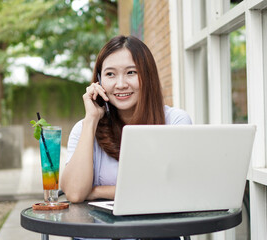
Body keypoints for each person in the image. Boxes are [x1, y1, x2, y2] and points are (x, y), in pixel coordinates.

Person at [60, 35, 192, 204]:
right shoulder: (85, 128)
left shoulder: (175, 121)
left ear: (148, 76)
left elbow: (176, 188)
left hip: (160, 228)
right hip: (102, 229)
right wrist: (91, 120)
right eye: (110, 74)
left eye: (131, 72)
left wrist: (96, 191)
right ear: (99, 81)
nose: (121, 84)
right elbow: (75, 193)